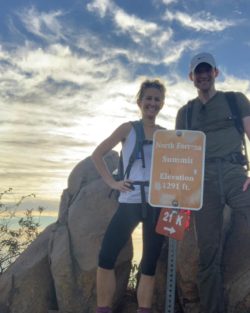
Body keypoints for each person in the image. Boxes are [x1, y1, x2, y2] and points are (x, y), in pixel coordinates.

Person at [175, 52, 250, 313]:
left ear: (215, 73)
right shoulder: (185, 113)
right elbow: (179, 153)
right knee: (208, 253)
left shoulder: (234, 100)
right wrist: (178, 194)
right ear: (191, 77)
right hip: (202, 181)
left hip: (234, 174)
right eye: (198, 71)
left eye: (207, 70)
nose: (203, 75)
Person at [91, 79, 166, 313]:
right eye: (148, 98)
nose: (152, 103)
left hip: (155, 202)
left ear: (161, 103)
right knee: (106, 256)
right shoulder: (128, 128)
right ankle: (104, 309)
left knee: (150, 264)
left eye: (156, 99)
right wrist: (112, 182)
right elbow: (98, 154)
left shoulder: (166, 135)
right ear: (139, 101)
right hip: (130, 200)